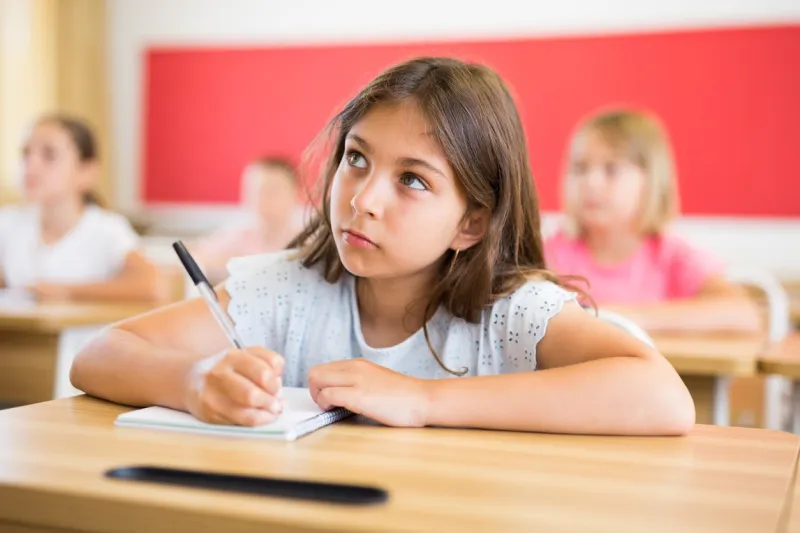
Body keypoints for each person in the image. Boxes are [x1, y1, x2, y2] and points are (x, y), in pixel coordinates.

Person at [71, 58, 694, 436]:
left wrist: (421, 399)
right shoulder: (291, 286)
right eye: (356, 159)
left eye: (412, 180)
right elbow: (100, 354)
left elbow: (662, 397)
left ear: (472, 223)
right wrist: (191, 380)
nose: (363, 199)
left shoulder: (509, 312)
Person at [545, 108, 761, 333]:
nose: (591, 182)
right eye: (580, 168)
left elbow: (743, 314)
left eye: (611, 169)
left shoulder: (672, 256)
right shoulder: (551, 255)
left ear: (652, 181)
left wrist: (625, 318)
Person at [0, 114, 163, 302]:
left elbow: (152, 286)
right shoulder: (8, 223)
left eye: (49, 155)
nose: (31, 166)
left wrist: (67, 292)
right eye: (26, 154)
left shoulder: (108, 230)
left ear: (86, 171)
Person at [190, 157, 306, 284]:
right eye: (255, 191)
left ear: (295, 194)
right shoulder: (238, 233)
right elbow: (196, 259)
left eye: (272, 191)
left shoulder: (307, 235)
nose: (262, 200)